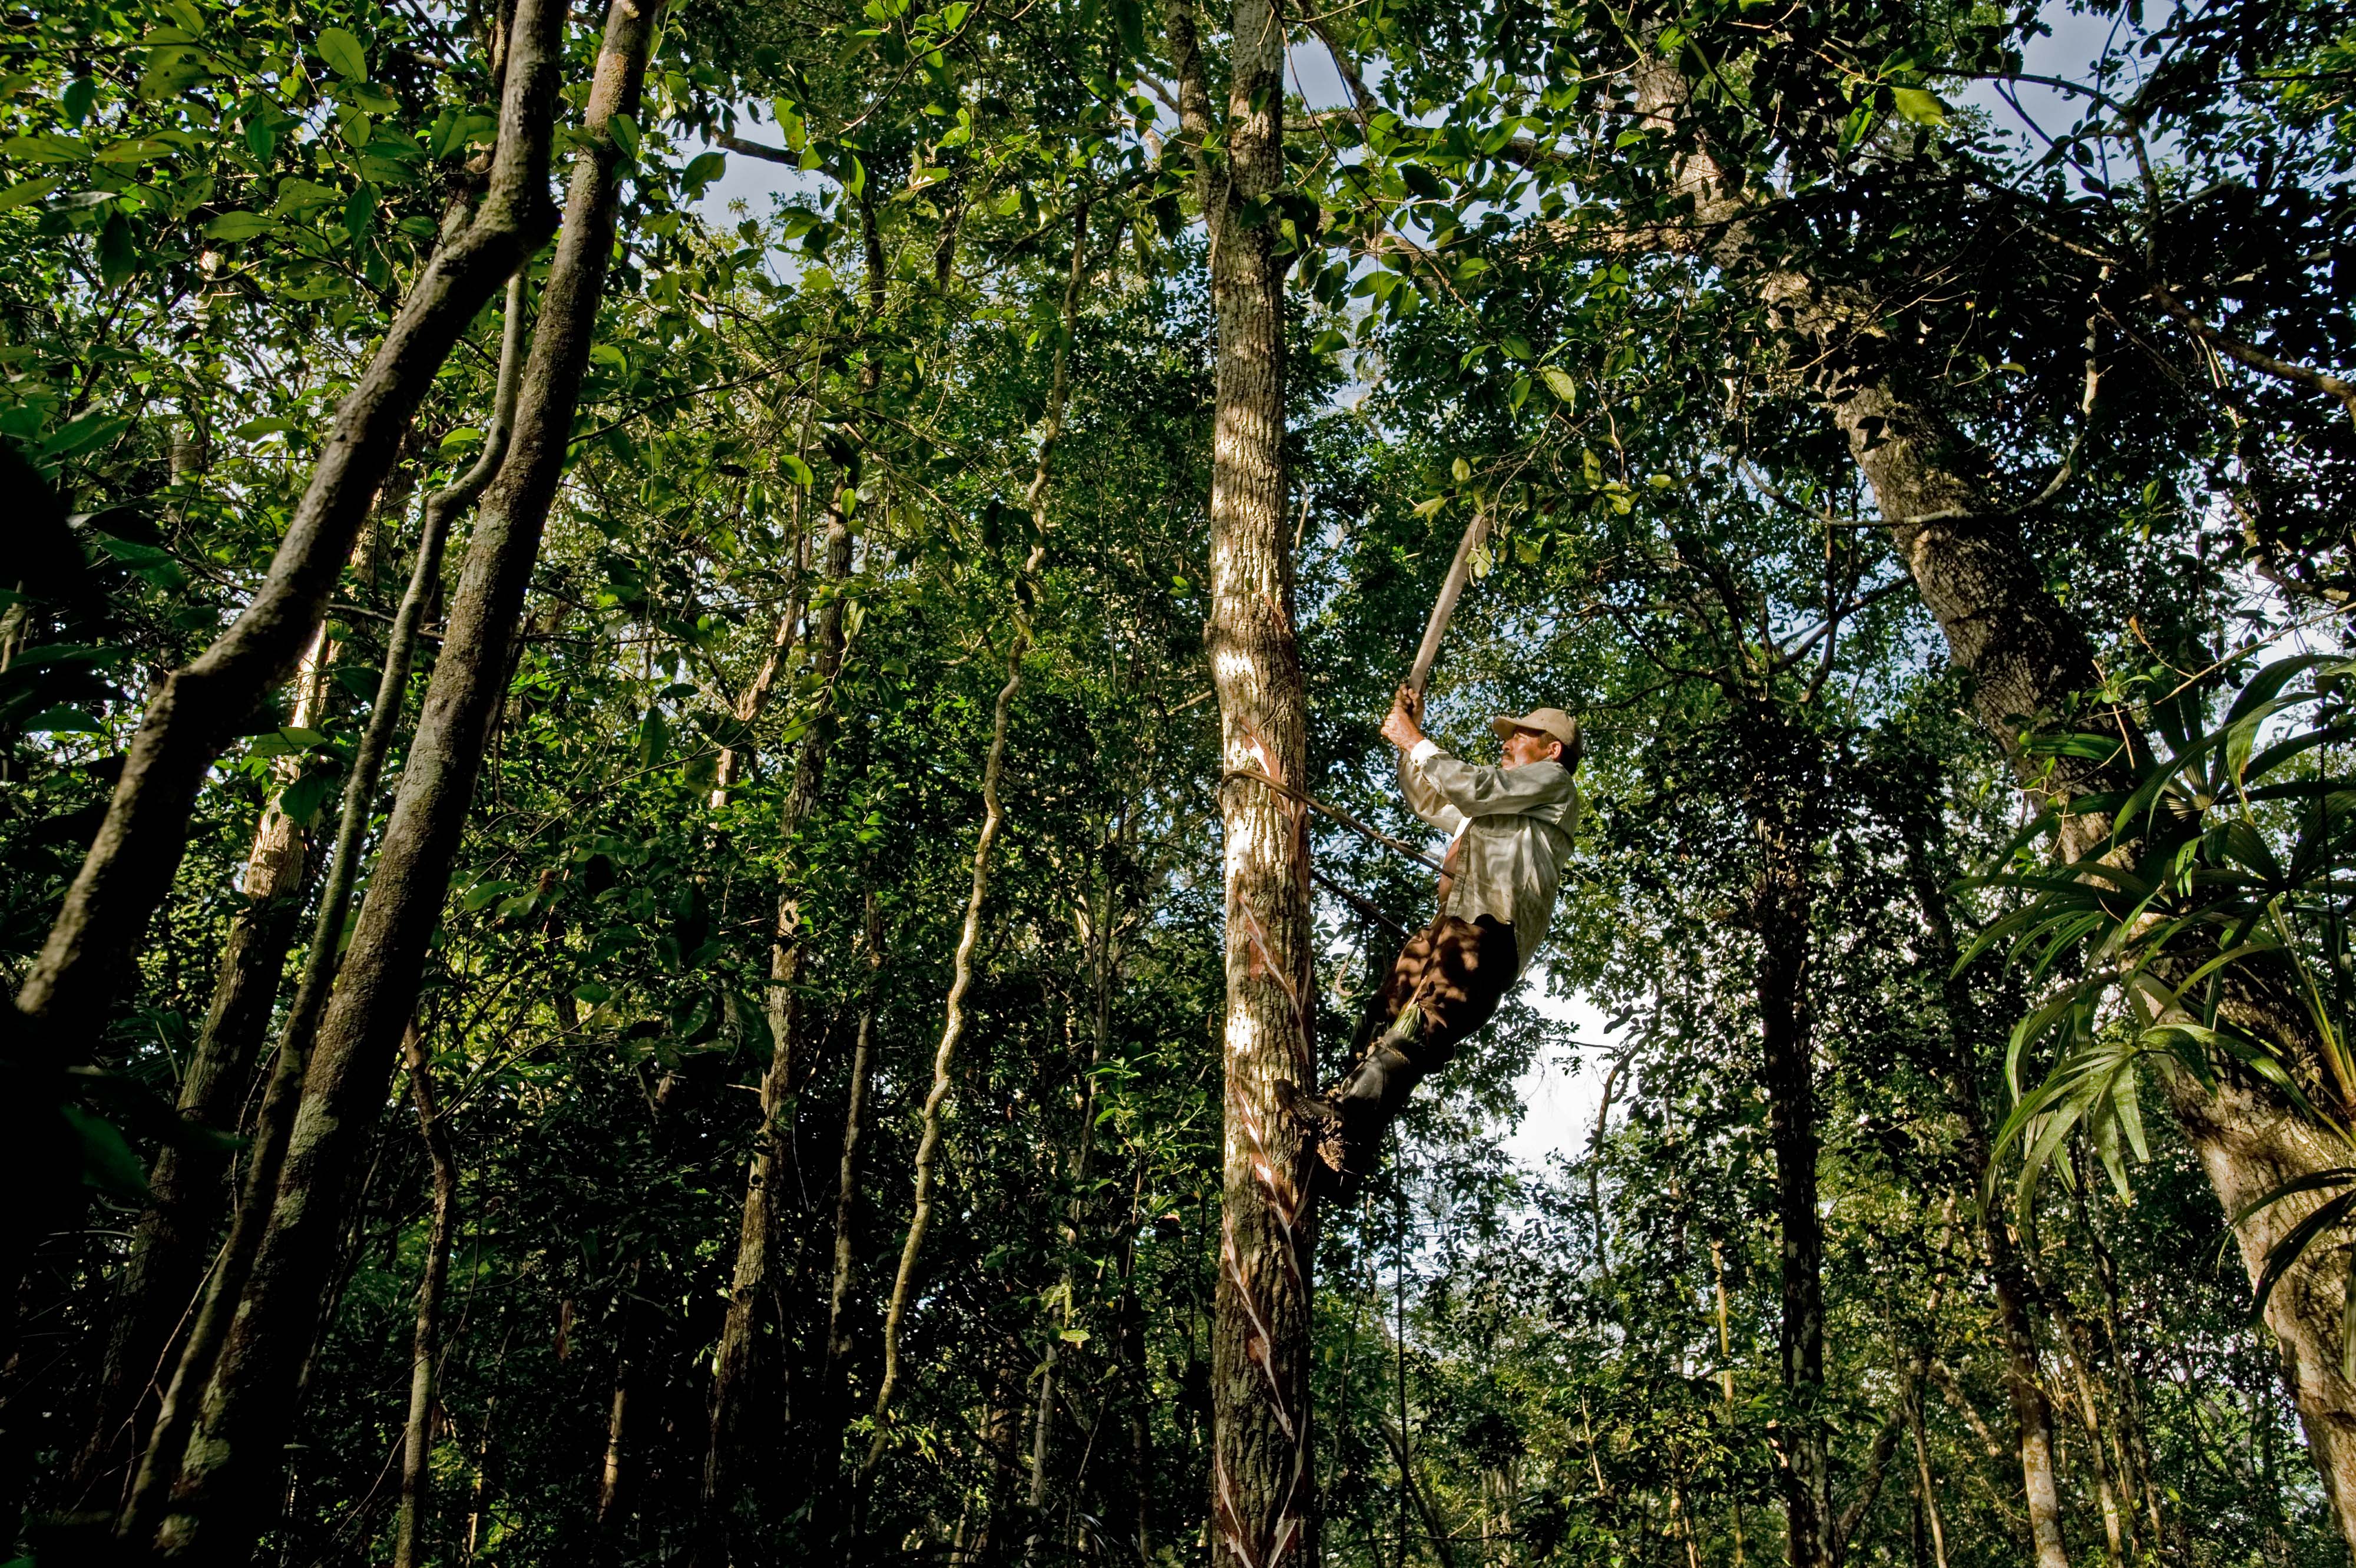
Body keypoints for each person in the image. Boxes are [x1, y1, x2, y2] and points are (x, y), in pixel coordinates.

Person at [1282, 687, 1582, 1194]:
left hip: (1491, 925)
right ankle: (1342, 1147)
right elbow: (1431, 796)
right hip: (1454, 920)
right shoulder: (1498, 804)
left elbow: (1475, 788)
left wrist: (1416, 738)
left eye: (1521, 737)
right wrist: (1408, 741)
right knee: (1388, 1010)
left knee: (1424, 1019)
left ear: (1551, 750)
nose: (1507, 744)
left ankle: (1347, 1118)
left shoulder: (1551, 784)